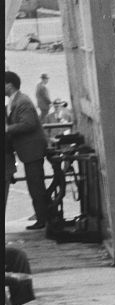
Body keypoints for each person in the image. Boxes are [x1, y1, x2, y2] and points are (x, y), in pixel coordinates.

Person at [4, 71, 51, 229]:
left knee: (36, 185)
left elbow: (29, 124)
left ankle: (43, 219)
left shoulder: (22, 101)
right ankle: (43, 217)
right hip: (29, 151)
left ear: (9, 85)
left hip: (33, 150)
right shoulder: (15, 100)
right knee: (35, 185)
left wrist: (7, 129)